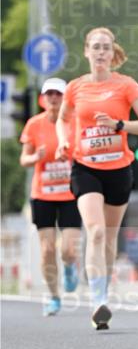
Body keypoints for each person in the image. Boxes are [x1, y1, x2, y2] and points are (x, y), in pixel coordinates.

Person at [56, 27, 138, 329]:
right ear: (86, 51)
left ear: (113, 53)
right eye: (96, 47)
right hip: (85, 167)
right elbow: (62, 119)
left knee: (110, 237)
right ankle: (97, 300)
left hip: (118, 169)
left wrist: (119, 125)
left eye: (106, 47)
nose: (101, 52)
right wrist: (63, 141)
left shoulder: (126, 85)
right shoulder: (75, 87)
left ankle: (104, 294)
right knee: (96, 231)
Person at [20, 77, 82, 316]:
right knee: (46, 250)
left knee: (68, 250)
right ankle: (54, 297)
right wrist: (36, 157)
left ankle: (69, 266)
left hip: (70, 194)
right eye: (50, 94)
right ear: (42, 99)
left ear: (66, 99)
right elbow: (24, 159)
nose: (54, 98)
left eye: (58, 94)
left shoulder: (74, 122)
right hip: (43, 194)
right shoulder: (34, 124)